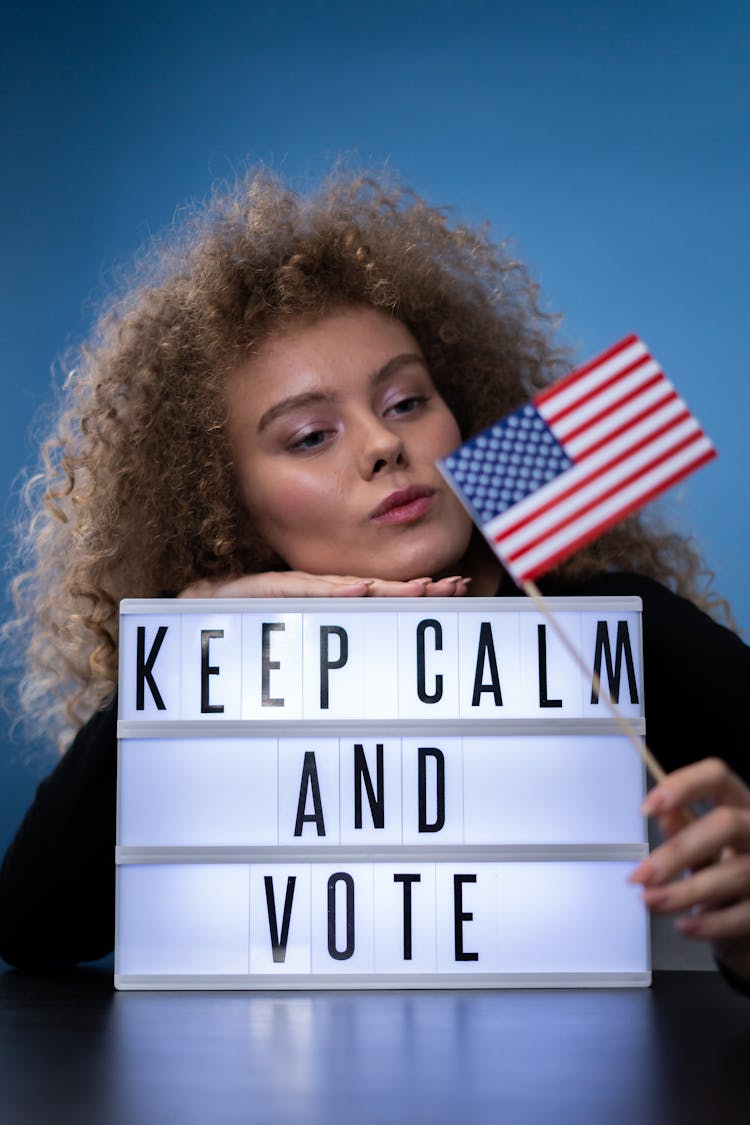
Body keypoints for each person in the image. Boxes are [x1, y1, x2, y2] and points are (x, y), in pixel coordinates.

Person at [1, 168, 749, 986]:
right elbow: (35, 926)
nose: (383, 447)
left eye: (405, 402)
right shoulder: (215, 678)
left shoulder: (620, 628)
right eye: (312, 435)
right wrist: (187, 642)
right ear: (228, 506)